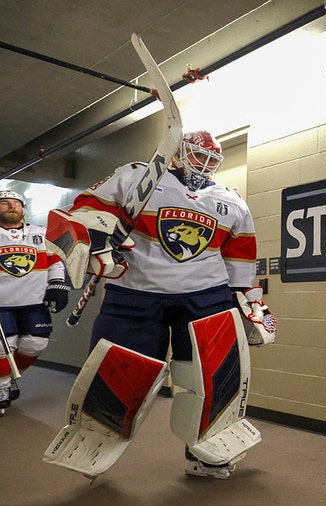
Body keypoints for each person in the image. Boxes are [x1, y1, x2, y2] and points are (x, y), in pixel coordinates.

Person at [45, 130, 274, 479]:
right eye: (198, 155)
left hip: (207, 295)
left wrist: (250, 303)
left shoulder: (232, 201)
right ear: (180, 152)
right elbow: (84, 211)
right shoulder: (138, 175)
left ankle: (209, 447)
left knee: (212, 373)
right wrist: (97, 244)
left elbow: (239, 257)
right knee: (123, 369)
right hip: (136, 291)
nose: (204, 165)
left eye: (211, 160)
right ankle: (97, 437)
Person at [0, 190, 69, 410]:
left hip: (34, 303)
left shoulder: (42, 234)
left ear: (23, 209)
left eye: (16, 203)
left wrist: (58, 286)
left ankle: (7, 377)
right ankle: (1, 388)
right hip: (2, 305)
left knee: (35, 345)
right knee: (3, 348)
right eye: (5, 203)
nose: (12, 207)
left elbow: (56, 261)